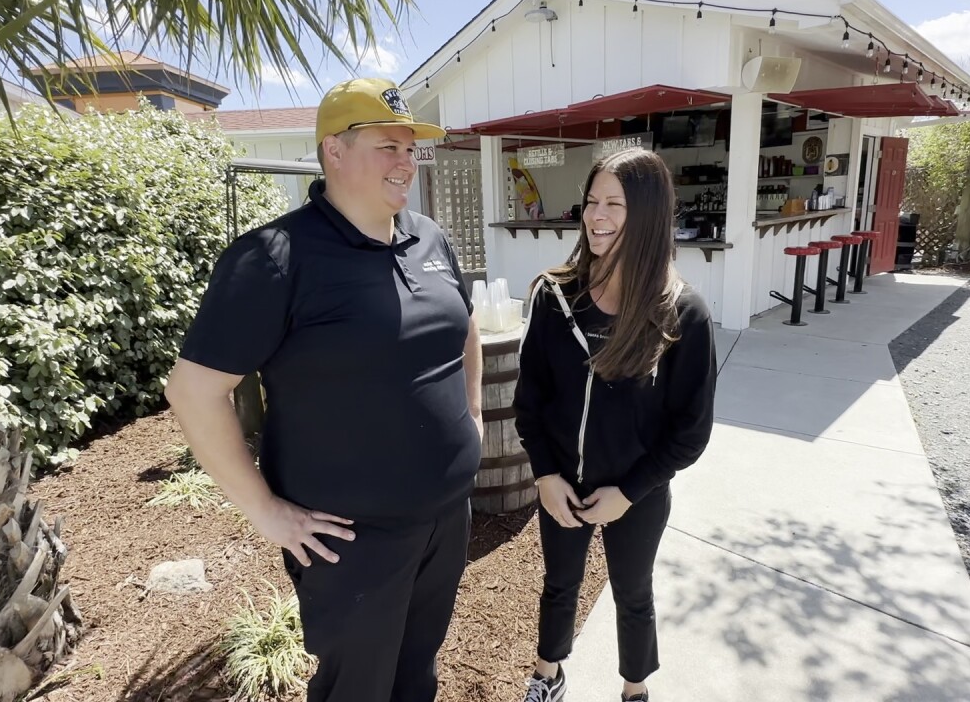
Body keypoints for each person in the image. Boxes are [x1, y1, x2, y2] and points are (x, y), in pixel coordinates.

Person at [164, 78, 483, 702]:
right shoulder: (275, 259)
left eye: (411, 148)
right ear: (333, 151)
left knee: (417, 672)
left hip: (446, 515)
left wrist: (470, 415)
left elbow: (464, 327)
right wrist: (265, 511)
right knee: (356, 689)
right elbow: (193, 392)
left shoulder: (429, 237)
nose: (405, 162)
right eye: (387, 146)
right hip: (351, 541)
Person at [513, 148, 717, 702]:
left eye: (614, 204)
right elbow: (530, 402)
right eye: (591, 201)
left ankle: (634, 690)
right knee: (559, 585)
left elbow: (690, 432)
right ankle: (547, 675)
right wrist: (546, 475)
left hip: (637, 491)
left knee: (633, 592)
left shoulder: (681, 314)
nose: (596, 216)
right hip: (563, 488)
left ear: (648, 215)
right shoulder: (554, 296)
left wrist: (628, 492)